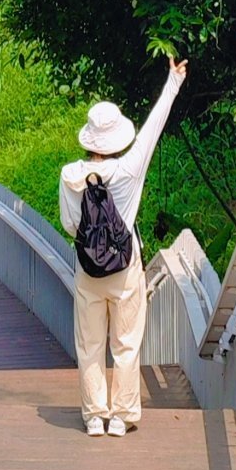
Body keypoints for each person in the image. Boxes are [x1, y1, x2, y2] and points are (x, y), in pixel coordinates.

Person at [59, 58, 188, 436]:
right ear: (118, 138)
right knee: (126, 342)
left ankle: (93, 416)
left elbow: (69, 224)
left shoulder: (70, 176)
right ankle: (121, 416)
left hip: (88, 268)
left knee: (89, 344)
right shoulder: (130, 168)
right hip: (124, 265)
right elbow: (153, 128)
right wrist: (173, 82)